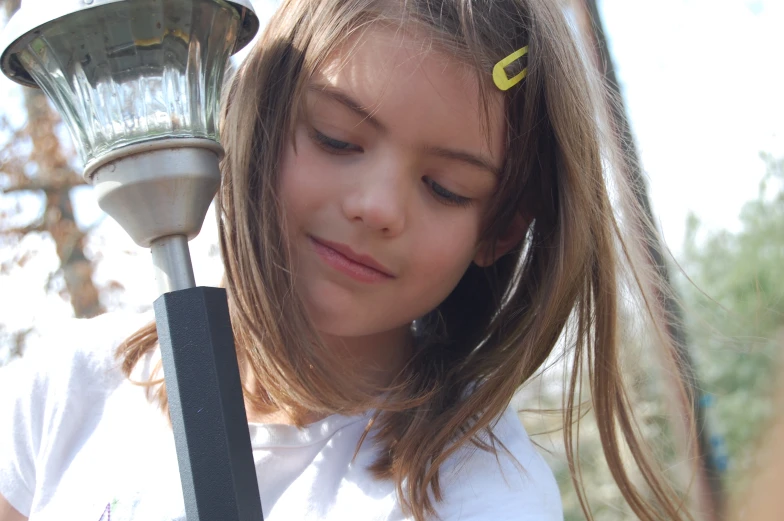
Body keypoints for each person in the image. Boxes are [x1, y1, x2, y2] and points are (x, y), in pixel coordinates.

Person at [0, 0, 695, 520]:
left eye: (445, 187)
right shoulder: (67, 386)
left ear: (501, 231)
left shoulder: (478, 493)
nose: (378, 206)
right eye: (336, 139)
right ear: (256, 115)